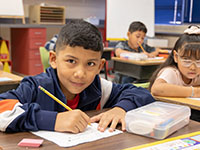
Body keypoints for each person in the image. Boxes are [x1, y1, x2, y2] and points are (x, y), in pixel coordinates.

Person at [0, 20, 155, 133]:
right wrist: (54, 120)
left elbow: (143, 93)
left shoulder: (98, 87)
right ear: (53, 59)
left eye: (90, 64)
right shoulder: (36, 86)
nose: (80, 74)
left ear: (100, 66)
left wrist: (121, 109)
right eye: (71, 61)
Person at [149, 25, 200, 98]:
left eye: (198, 62)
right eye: (186, 60)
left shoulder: (197, 74)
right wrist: (195, 92)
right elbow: (156, 89)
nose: (192, 67)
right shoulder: (172, 72)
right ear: (176, 57)